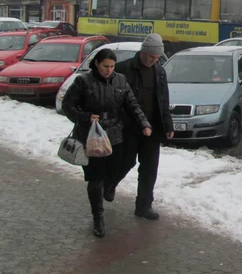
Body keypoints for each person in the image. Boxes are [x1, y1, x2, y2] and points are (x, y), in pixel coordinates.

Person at [62, 48, 151, 238]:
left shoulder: (120, 80)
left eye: (111, 66)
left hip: (114, 134)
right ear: (96, 64)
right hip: (90, 136)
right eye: (105, 66)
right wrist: (85, 117)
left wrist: (144, 123)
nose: (108, 70)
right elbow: (67, 105)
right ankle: (98, 218)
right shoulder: (83, 81)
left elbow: (132, 105)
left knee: (119, 167)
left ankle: (109, 188)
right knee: (95, 178)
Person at [109, 33, 174, 220]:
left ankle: (144, 205)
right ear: (143, 51)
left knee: (150, 167)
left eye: (157, 58)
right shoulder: (123, 69)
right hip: (130, 126)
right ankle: (110, 184)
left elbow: (164, 100)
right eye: (150, 56)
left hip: (153, 128)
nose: (153, 60)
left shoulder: (159, 70)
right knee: (126, 162)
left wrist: (168, 124)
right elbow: (114, 99)